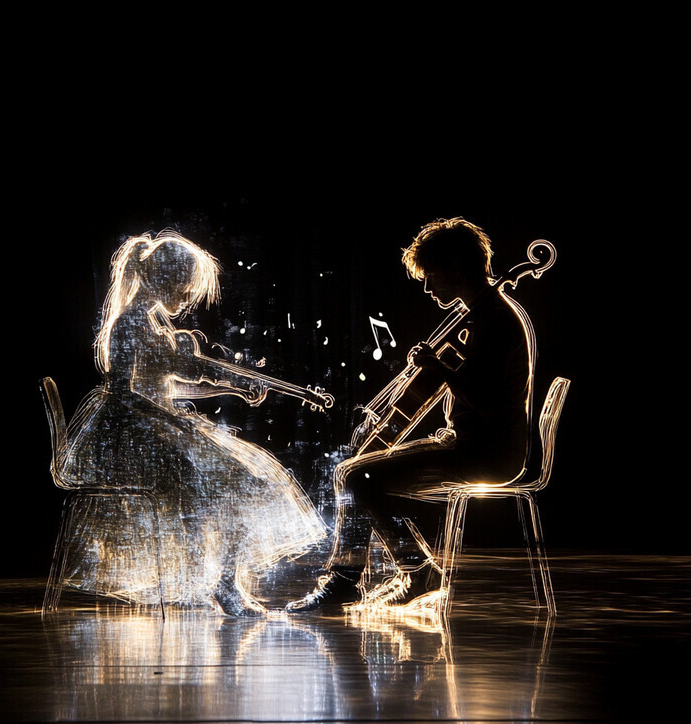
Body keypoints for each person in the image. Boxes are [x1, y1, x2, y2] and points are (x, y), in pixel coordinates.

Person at [60, 229, 327, 616]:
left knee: (244, 482)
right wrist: (171, 418)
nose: (186, 299)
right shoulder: (129, 324)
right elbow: (120, 393)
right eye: (183, 288)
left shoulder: (152, 323)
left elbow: (169, 387)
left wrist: (231, 389)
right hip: (135, 436)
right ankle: (221, 583)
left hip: (158, 426)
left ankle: (223, 581)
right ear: (163, 279)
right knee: (229, 485)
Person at [286, 217, 535, 613]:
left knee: (356, 476)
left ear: (455, 269)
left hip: (489, 454)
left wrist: (441, 369)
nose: (426, 286)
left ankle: (380, 576)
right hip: (467, 443)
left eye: (430, 275)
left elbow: (489, 404)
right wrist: (442, 369)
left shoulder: (495, 322)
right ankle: (390, 575)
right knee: (355, 473)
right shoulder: (480, 317)